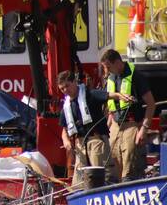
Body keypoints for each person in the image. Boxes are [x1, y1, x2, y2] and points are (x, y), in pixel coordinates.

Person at [57, 70, 131, 189]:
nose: (65, 90)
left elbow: (109, 95)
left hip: (96, 141)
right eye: (62, 89)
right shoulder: (66, 107)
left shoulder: (90, 95)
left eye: (67, 86)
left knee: (102, 178)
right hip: (80, 146)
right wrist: (66, 141)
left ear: (74, 82)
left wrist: (122, 97)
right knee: (78, 184)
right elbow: (64, 130)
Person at [101, 48, 156, 182]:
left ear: (117, 62)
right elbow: (110, 108)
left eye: (108, 67)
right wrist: (108, 126)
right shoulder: (111, 78)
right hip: (115, 126)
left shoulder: (136, 76)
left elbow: (151, 104)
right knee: (114, 163)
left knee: (129, 165)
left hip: (132, 125)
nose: (107, 71)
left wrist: (143, 129)